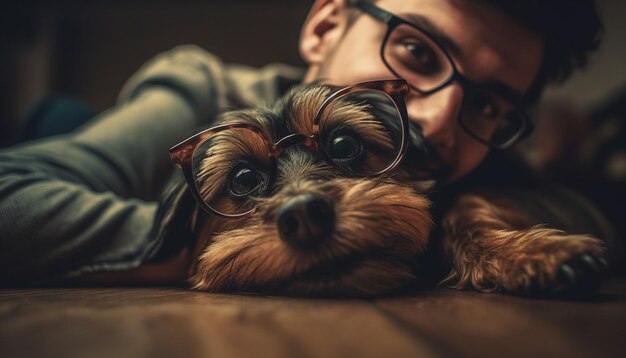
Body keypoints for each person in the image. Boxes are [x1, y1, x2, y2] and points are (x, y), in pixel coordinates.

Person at [0, 0, 620, 285]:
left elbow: (587, 212)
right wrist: (190, 238)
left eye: (486, 101)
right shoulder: (200, 95)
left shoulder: (469, 151)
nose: (434, 120)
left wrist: (470, 223)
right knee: (57, 118)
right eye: (415, 51)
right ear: (325, 26)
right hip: (98, 153)